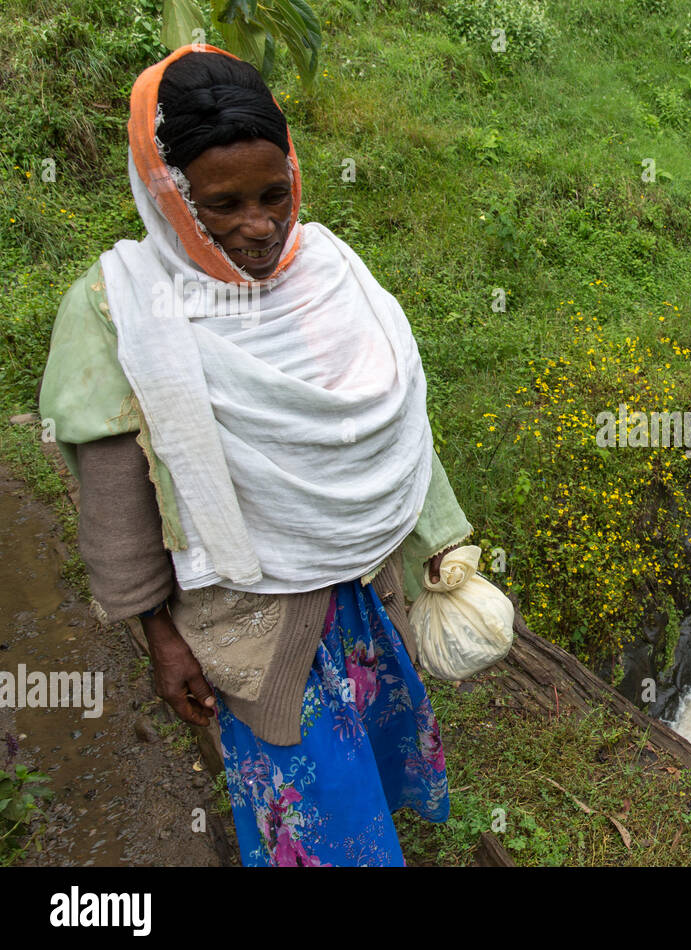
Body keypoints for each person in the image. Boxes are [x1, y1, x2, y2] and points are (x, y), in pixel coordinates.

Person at [39, 45, 472, 866]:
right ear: (166, 195)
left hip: (361, 589)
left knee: (372, 739)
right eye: (220, 205)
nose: (260, 226)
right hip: (246, 612)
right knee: (306, 782)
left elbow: (389, 421)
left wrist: (440, 539)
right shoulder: (117, 308)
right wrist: (160, 638)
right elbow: (115, 498)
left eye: (275, 195)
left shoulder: (329, 274)